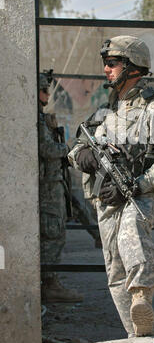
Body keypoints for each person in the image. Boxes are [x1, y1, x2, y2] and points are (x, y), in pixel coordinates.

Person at [68, 35, 154, 338]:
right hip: (106, 197)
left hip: (141, 194)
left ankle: (141, 295)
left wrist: (136, 184)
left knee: (131, 228)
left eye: (112, 63)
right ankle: (137, 334)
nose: (106, 70)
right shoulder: (106, 110)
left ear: (132, 66)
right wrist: (85, 156)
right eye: (105, 64)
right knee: (114, 268)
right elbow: (76, 146)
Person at [39, 72, 83, 303]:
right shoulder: (36, 119)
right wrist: (68, 149)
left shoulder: (41, 118)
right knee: (53, 233)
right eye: (45, 90)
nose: (48, 94)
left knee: (56, 229)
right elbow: (47, 150)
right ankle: (50, 284)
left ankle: (50, 281)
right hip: (47, 185)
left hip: (53, 181)